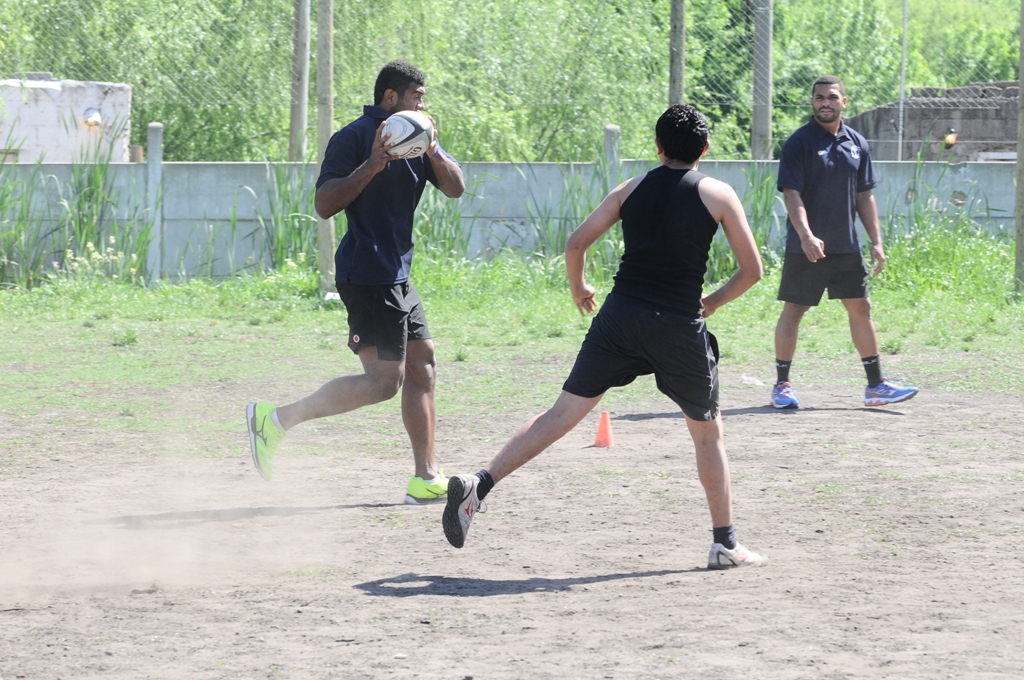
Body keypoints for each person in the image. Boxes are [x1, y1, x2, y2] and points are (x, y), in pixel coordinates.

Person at [442, 105, 768, 570]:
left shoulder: (630, 189)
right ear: (705, 148)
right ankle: (725, 543)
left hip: (620, 316)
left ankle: (481, 483)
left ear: (657, 147)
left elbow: (576, 242)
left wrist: (580, 288)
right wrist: (711, 302)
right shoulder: (718, 194)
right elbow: (752, 271)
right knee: (707, 435)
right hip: (676, 324)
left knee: (561, 413)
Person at [246, 60, 466, 504]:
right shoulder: (352, 138)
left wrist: (435, 151)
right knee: (384, 382)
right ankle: (275, 421)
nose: (424, 105)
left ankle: (425, 476)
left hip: (398, 274)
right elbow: (324, 204)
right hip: (367, 274)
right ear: (391, 98)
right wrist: (371, 166)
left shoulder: (417, 142)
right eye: (416, 97)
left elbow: (457, 188)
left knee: (423, 366)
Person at [770, 75, 918, 410]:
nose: (825, 102)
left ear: (844, 102)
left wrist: (876, 241)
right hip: (806, 249)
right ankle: (782, 385)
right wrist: (806, 235)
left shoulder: (857, 143)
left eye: (832, 97)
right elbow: (791, 194)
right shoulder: (798, 143)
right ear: (812, 102)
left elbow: (865, 196)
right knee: (794, 311)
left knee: (861, 309)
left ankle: (876, 387)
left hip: (846, 247)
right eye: (819, 97)